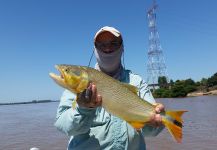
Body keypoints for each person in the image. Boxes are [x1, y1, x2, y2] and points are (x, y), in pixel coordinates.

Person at [55, 26, 165, 150]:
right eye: (101, 44)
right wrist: (83, 109)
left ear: (122, 48)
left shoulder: (137, 82)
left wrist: (156, 121)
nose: (107, 48)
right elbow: (63, 126)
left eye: (114, 43)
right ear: (95, 49)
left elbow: (151, 133)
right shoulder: (79, 84)